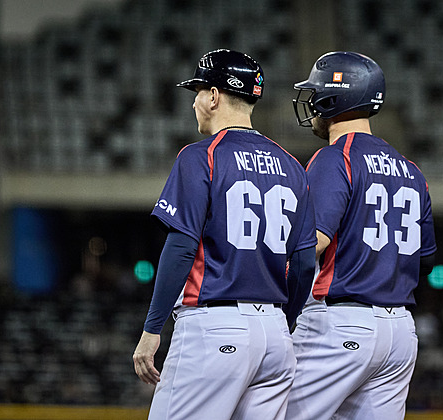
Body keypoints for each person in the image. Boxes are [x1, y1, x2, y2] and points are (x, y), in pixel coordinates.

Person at [132, 49, 317, 420]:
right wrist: (286, 321)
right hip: (274, 335)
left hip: (215, 328)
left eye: (198, 92)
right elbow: (303, 263)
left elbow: (182, 246)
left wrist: (153, 329)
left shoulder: (201, 156)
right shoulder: (292, 165)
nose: (196, 102)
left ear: (214, 96)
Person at [285, 51, 437, 419]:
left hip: (340, 323)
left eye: (317, 93)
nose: (312, 102)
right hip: (400, 330)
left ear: (333, 98)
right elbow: (426, 259)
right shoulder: (411, 170)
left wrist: (284, 312)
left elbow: (310, 247)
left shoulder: (337, 158)